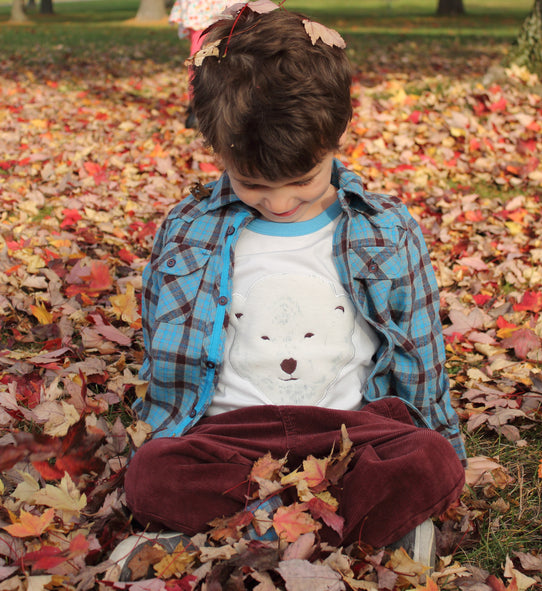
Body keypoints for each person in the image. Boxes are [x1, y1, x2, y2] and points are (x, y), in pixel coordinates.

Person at [115, 3, 466, 580]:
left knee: (429, 462)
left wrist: (444, 440)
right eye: (253, 184)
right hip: (230, 435)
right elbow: (165, 350)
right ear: (216, 148)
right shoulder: (188, 229)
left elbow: (418, 351)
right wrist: (159, 432)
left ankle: (280, 530)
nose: (279, 204)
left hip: (349, 435)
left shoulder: (386, 230)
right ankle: (300, 529)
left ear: (338, 134)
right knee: (153, 474)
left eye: (302, 182)